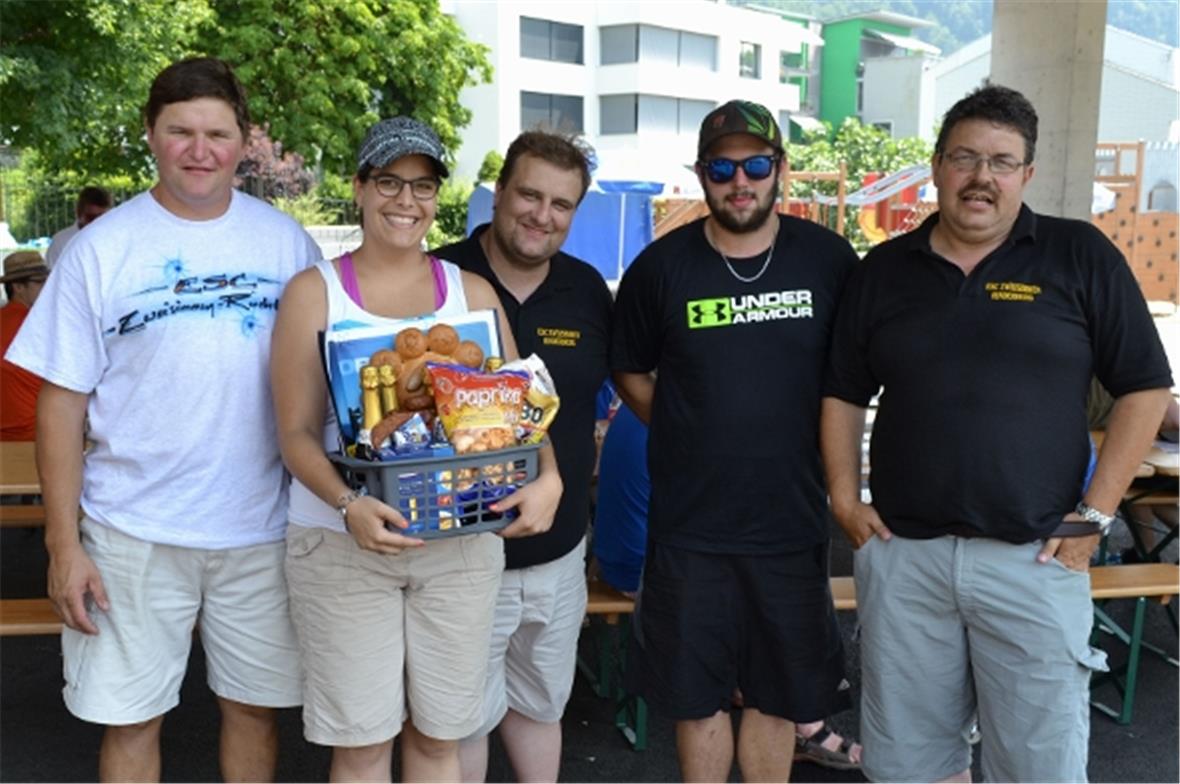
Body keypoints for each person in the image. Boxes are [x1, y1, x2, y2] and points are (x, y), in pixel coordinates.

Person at [820, 84, 1174, 783]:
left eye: (1002, 162)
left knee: (1038, 768)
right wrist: (842, 496)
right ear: (937, 166)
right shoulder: (884, 270)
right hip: (907, 559)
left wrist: (1097, 515)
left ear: (1026, 175)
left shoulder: (1078, 256)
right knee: (908, 765)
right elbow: (843, 392)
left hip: (1035, 560)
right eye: (966, 157)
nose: (982, 177)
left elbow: (1145, 387)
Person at [4, 57, 322, 782]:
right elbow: (61, 405)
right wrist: (62, 545)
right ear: (150, 135)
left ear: (244, 141)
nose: (199, 149)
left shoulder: (286, 245)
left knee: (253, 710)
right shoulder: (100, 249)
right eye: (181, 131)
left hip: (261, 529)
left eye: (217, 132)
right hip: (129, 533)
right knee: (130, 717)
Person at [272, 117, 563, 783]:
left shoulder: (473, 294)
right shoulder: (314, 293)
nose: (406, 201)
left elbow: (520, 412)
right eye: (389, 182)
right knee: (364, 746)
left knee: (441, 737)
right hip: (343, 546)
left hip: (459, 546)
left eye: (422, 186)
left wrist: (550, 477)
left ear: (438, 196)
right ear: (359, 188)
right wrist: (349, 503)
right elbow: (292, 434)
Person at [610, 99, 859, 782]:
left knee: (778, 700)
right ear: (701, 174)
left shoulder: (829, 260)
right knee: (698, 702)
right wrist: (686, 423)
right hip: (691, 530)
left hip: (790, 524)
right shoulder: (661, 269)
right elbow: (628, 368)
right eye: (722, 166)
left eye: (755, 164)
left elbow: (858, 375)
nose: (739, 180)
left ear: (779, 169)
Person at [432, 129, 612, 783]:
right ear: (499, 192)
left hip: (558, 554)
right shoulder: (440, 278)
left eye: (561, 204)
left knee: (540, 704)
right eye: (529, 195)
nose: (542, 215)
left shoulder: (589, 291)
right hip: (458, 552)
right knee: (459, 720)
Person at [591, 396, 863, 769]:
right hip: (648, 566)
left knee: (754, 604)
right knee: (771, 605)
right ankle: (806, 723)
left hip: (621, 557)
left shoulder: (648, 406)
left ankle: (766, 695)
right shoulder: (699, 414)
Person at [1, 251, 49, 441]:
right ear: (18, 287)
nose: (47, 288)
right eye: (39, 283)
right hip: (37, 435)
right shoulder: (39, 324)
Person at [45, 186, 113, 268]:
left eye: (102, 218)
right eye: (91, 218)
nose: (96, 223)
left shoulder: (115, 240)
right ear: (78, 213)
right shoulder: (60, 242)